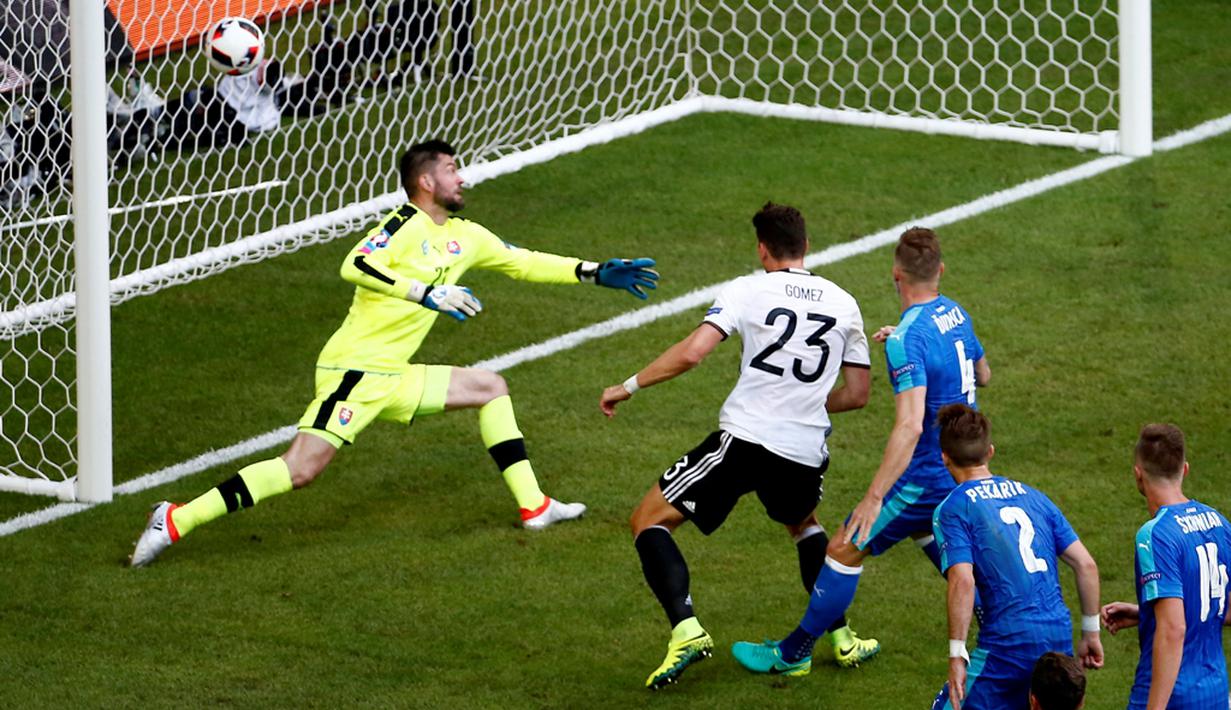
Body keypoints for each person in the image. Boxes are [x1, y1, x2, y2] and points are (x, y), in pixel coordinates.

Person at [130, 138, 659, 567]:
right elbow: (353, 264)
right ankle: (175, 518)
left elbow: (523, 261)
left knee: (490, 387)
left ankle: (535, 506)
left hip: (392, 373)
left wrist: (592, 271)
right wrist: (424, 293)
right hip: (355, 370)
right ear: (426, 181)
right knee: (301, 469)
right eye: (453, 169)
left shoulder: (466, 236)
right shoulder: (400, 226)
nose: (463, 178)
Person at [600, 202, 879, 689]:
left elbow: (692, 353)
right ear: (806, 246)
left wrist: (629, 385)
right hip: (805, 450)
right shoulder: (844, 302)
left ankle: (686, 630)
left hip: (746, 440)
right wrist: (803, 402)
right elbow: (858, 395)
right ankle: (842, 636)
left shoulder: (747, 289)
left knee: (648, 520)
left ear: (762, 249)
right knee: (804, 524)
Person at [733, 226, 990, 675]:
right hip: (960, 469)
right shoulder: (956, 314)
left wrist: (873, 498)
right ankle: (995, 619)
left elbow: (909, 427)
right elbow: (982, 374)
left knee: (842, 549)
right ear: (941, 271)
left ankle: (793, 653)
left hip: (925, 474)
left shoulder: (907, 339)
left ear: (895, 273)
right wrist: (911, 341)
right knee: (932, 536)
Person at [925, 404, 1103, 710]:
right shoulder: (1034, 496)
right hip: (1058, 634)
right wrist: (1090, 630)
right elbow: (1085, 564)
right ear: (990, 452)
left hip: (1008, 640)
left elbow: (963, 580)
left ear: (944, 458)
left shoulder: (954, 508)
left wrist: (957, 654)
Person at [1100, 424, 1231, 709]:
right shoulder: (1219, 523)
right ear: (1185, 469)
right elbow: (1222, 605)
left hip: (1174, 697)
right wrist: (1146, 613)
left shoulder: (1155, 535)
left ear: (1137, 474)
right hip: (1216, 693)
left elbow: (1173, 630)